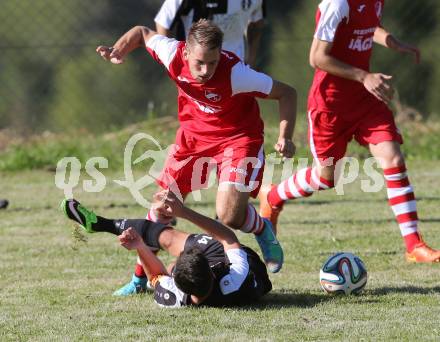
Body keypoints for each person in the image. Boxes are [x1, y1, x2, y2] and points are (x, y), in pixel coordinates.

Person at [96, 19, 297, 295]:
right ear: (186, 53)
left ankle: (260, 227)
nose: (206, 71)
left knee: (229, 215)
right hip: (193, 138)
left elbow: (287, 92)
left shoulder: (236, 73)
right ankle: (139, 280)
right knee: (161, 207)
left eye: (212, 63)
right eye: (200, 63)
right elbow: (142, 33)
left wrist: (285, 135)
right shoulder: (171, 54)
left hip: (238, 138)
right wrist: (119, 50)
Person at [259, 0, 440, 262]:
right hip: (330, 105)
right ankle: (273, 195)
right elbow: (316, 57)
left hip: (364, 100)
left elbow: (367, 27)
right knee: (326, 178)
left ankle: (413, 245)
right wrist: (364, 76)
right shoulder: (338, 4)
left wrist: (390, 39)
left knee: (393, 159)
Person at [61, 195, 272, 307]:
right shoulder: (234, 278)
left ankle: (101, 224)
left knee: (169, 239)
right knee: (179, 240)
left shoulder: (174, 296)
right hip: (250, 268)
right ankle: (100, 224)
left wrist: (141, 247)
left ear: (177, 282)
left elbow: (156, 276)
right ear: (210, 270)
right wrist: (184, 213)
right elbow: (228, 238)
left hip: (212, 276)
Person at [154, 0, 266, 67]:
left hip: (235, 67)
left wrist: (251, 59)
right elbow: (163, 23)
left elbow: (256, 22)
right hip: (194, 70)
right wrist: (171, 62)